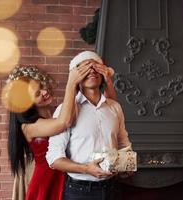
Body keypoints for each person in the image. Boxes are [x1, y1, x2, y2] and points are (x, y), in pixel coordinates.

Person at [7, 63, 117, 200]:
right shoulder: (29, 126)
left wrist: (107, 80)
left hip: (68, 175)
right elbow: (64, 123)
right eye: (37, 93)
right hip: (48, 179)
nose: (44, 92)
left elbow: (111, 108)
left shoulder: (56, 112)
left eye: (41, 86)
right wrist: (71, 83)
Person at [46, 51, 132, 200]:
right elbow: (53, 158)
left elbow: (123, 142)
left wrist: (126, 164)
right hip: (79, 192)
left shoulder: (115, 107)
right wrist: (86, 169)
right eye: (85, 68)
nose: (91, 71)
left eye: (95, 67)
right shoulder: (65, 110)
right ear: (76, 76)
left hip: (113, 188)